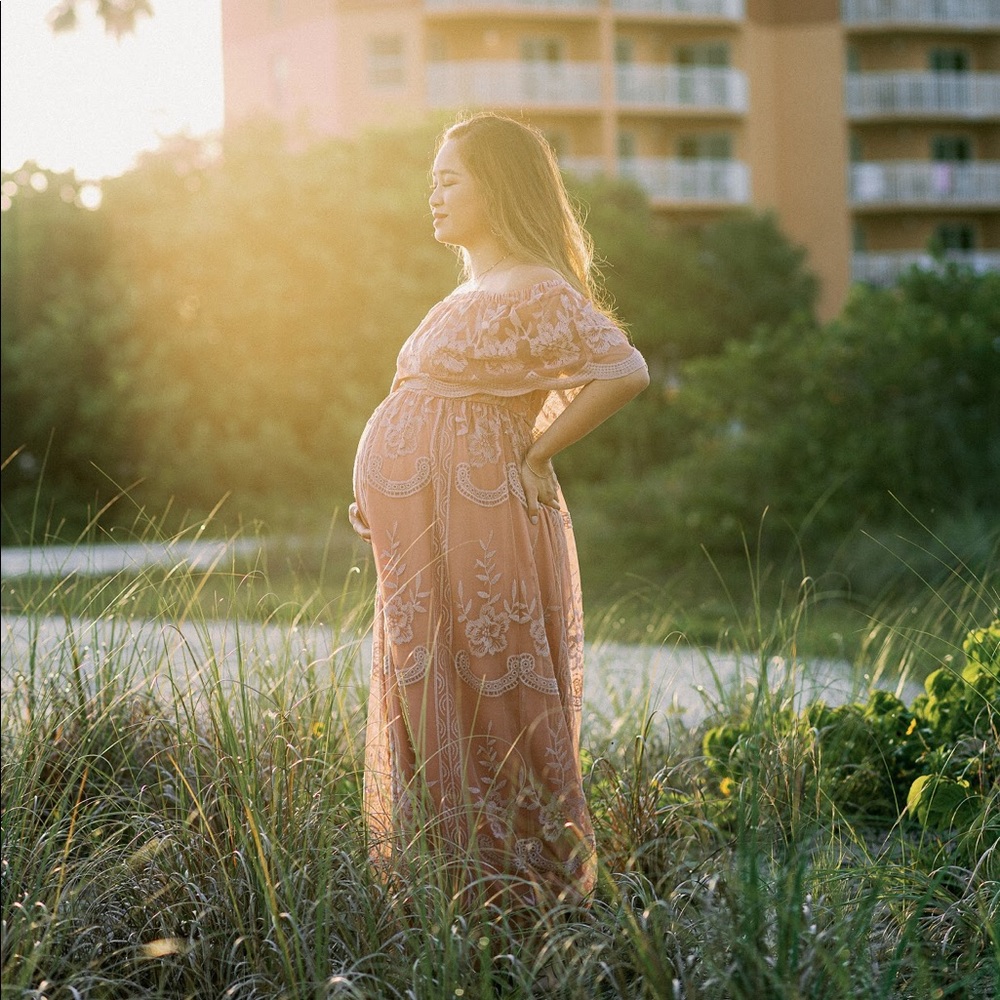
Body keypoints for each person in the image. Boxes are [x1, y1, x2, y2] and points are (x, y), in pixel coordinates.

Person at [349, 112, 649, 908]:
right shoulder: (472, 289)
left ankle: (526, 899)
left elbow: (624, 371)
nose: (435, 195)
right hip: (423, 531)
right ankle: (446, 889)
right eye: (432, 181)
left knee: (492, 690)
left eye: (451, 179)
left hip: (479, 522)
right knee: (429, 693)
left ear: (500, 187)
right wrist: (381, 491)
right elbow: (424, 406)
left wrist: (538, 454)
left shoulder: (537, 286)